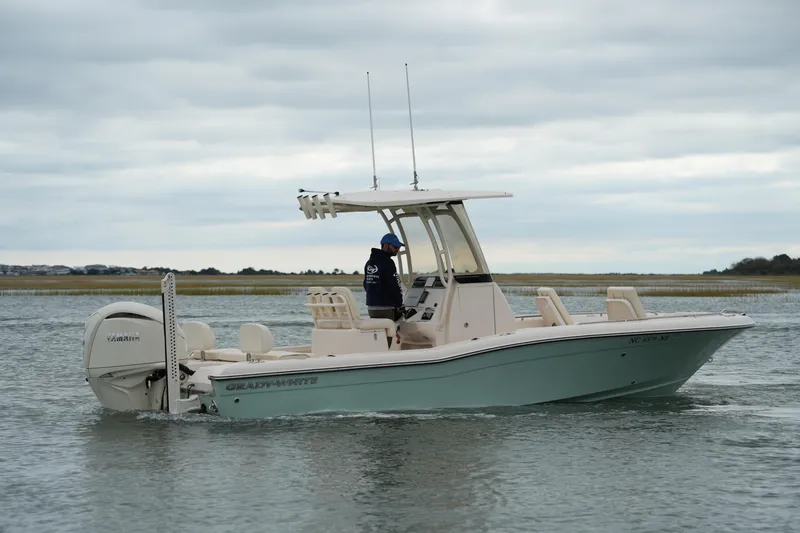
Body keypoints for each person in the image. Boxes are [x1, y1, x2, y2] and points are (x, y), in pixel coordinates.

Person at [364, 234, 406, 346]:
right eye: (395, 246)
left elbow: (366, 284)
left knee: (379, 337)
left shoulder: (370, 262)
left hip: (372, 308)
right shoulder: (388, 263)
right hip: (386, 308)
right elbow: (394, 286)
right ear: (386, 245)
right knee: (388, 339)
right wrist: (399, 304)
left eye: (398, 247)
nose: (397, 249)